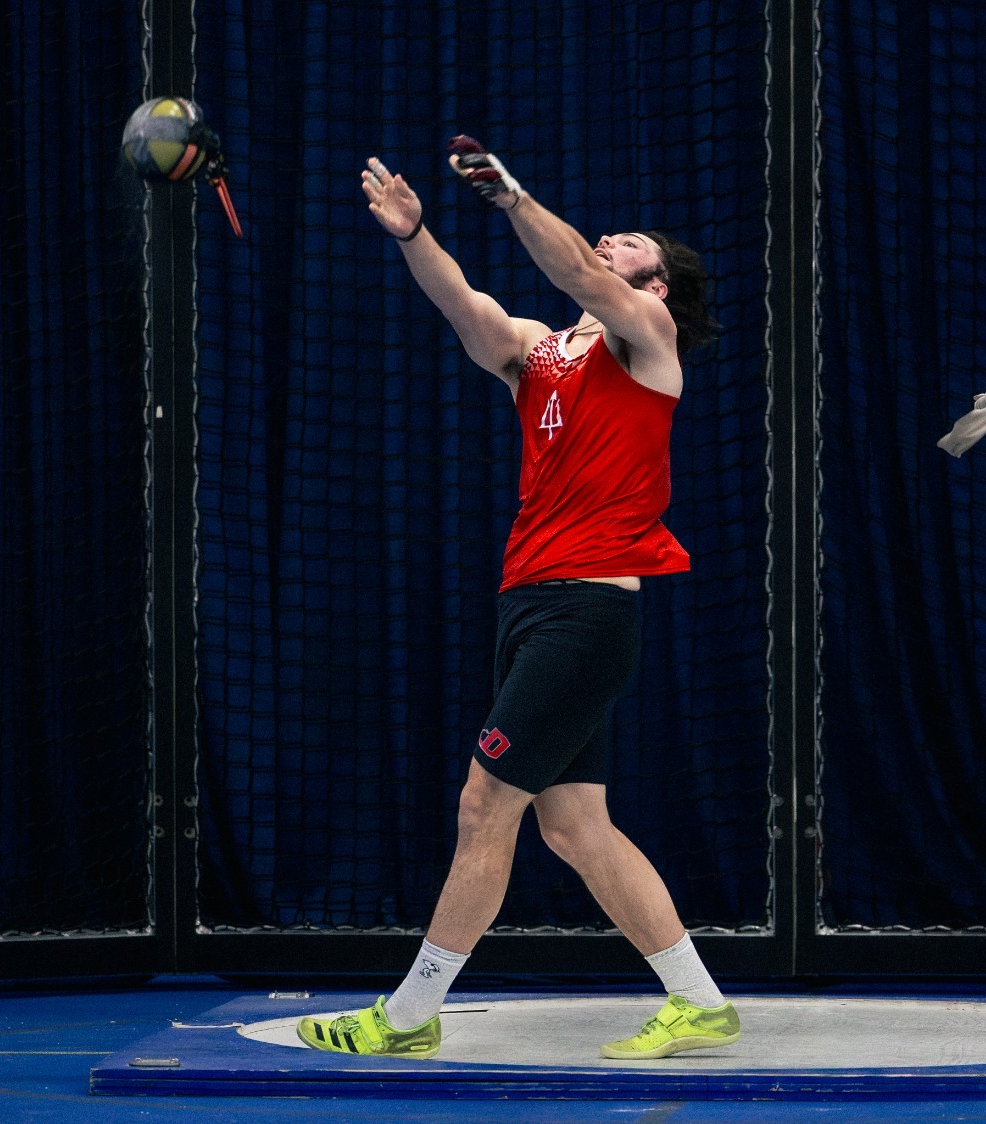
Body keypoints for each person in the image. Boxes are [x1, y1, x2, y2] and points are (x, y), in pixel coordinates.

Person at [294, 137, 735, 1062]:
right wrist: (416, 234)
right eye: (612, 237)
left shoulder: (648, 342)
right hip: (533, 607)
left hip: (586, 614)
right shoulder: (540, 355)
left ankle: (407, 1017)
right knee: (575, 828)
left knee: (482, 806)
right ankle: (699, 1003)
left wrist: (513, 198)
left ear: (656, 289)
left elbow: (574, 263)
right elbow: (466, 305)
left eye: (631, 246)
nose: (612, 242)